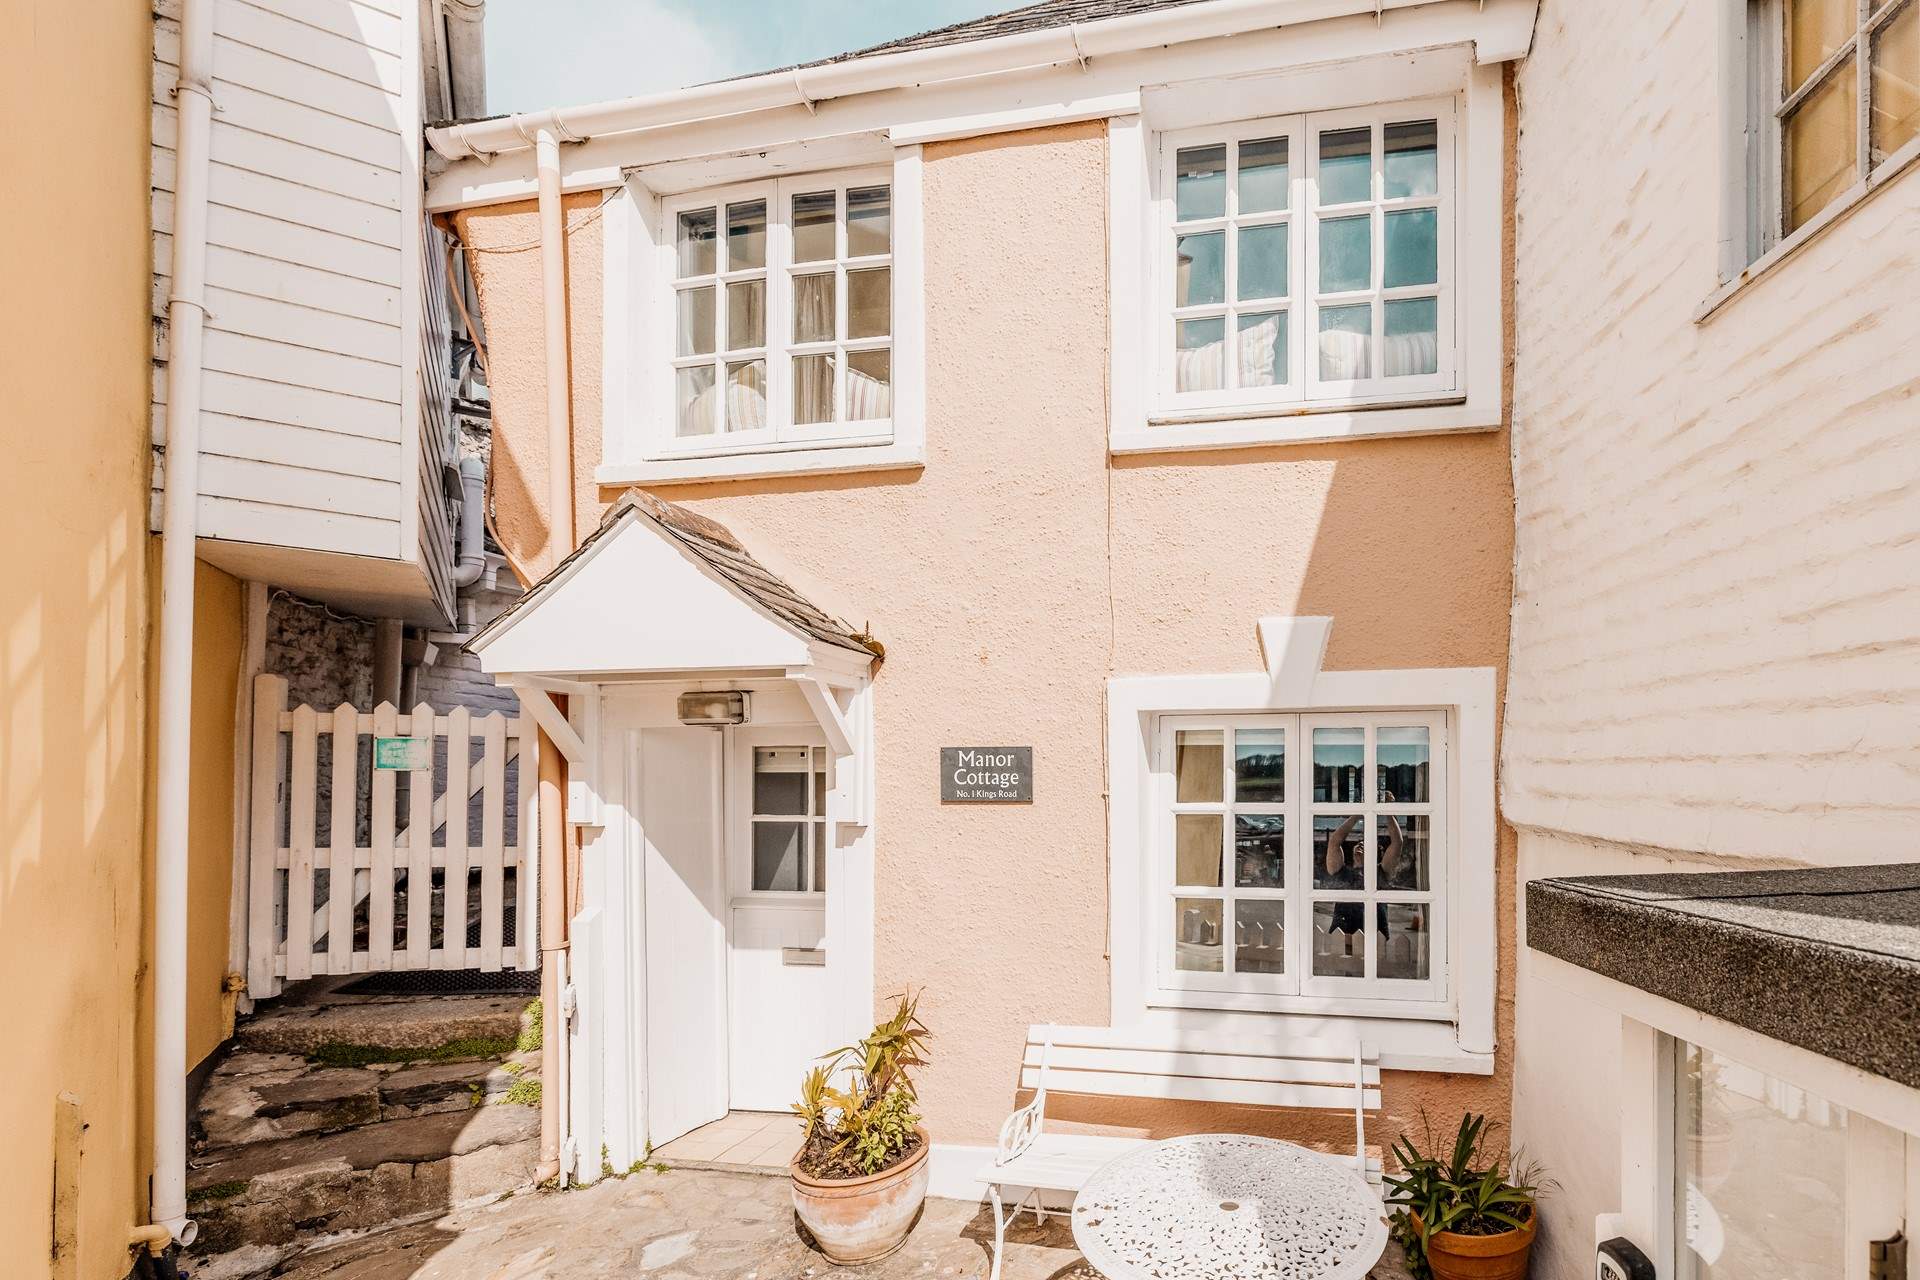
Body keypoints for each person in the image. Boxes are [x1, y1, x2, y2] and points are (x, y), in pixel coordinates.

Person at [1321, 812, 1407, 946]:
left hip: (1374, 941)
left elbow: (1397, 842)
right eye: (1359, 843)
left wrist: (1388, 811)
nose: (1361, 844)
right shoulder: (1341, 871)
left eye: (1366, 844)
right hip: (1342, 939)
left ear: (1376, 854)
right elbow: (1334, 842)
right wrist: (1357, 814)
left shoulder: (1381, 872)